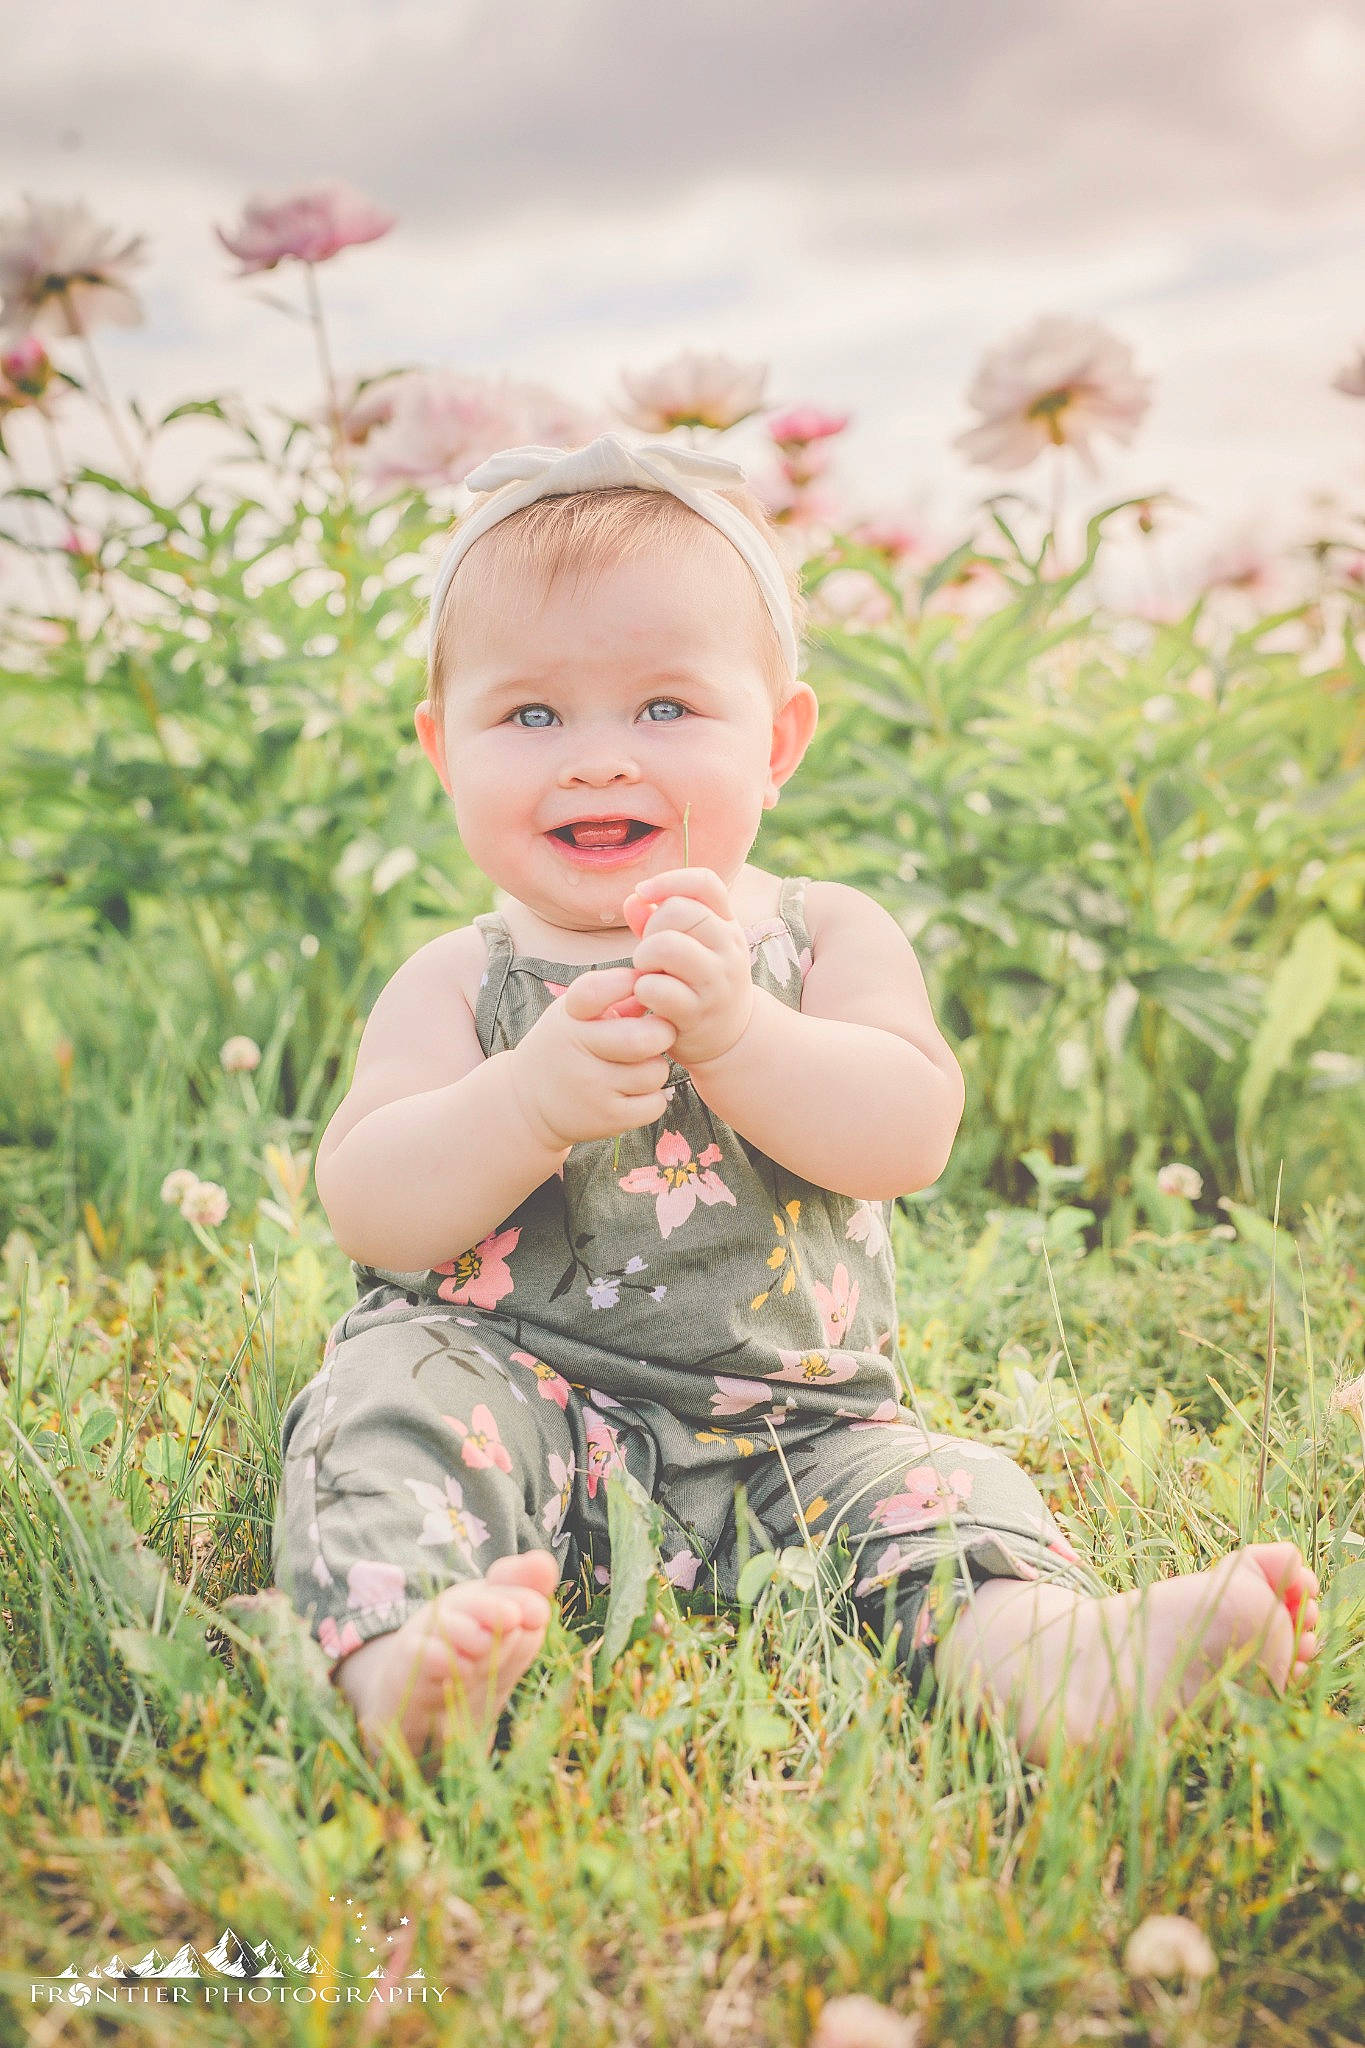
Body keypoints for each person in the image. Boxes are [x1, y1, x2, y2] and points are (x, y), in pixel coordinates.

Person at [271, 433, 1319, 1766]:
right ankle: (399, 1656)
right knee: (383, 1405)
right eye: (529, 714)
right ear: (440, 748)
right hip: (510, 1398)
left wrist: (740, 1033)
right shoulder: (457, 980)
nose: (595, 758)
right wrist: (523, 1102)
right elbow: (370, 1207)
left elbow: (906, 1134)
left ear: (777, 742)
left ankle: (1054, 1660)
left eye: (663, 709)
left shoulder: (821, 938)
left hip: (798, 1429)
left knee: (940, 1493)